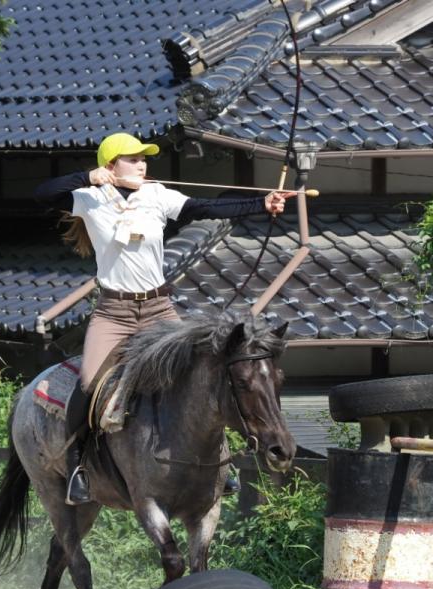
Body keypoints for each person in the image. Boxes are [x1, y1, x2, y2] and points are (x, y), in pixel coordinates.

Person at [35, 132, 294, 505]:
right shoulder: (90, 199)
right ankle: (79, 467)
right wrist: (88, 177)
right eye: (133, 159)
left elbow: (205, 208)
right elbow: (42, 194)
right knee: (90, 383)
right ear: (111, 165)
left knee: (200, 376)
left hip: (158, 308)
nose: (142, 164)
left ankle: (223, 465)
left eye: (144, 158)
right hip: (114, 313)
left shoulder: (156, 195)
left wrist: (261, 203)